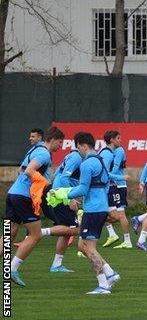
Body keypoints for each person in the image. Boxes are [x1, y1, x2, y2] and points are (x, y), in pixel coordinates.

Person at [51, 132, 121, 294]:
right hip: (99, 207)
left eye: (78, 148)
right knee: (82, 246)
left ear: (83, 145)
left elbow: (83, 188)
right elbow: (101, 185)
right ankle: (110, 273)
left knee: (89, 248)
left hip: (93, 210)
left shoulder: (86, 164)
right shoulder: (101, 161)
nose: (78, 151)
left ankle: (103, 285)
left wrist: (62, 194)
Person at [5, 126, 65, 287]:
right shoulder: (44, 153)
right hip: (23, 198)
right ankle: (12, 269)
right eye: (60, 142)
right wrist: (42, 183)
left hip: (13, 194)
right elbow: (29, 171)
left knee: (8, 236)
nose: (61, 146)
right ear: (52, 140)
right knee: (36, 235)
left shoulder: (34, 150)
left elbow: (21, 170)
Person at [43, 146, 83, 273]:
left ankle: (56, 265)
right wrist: (70, 197)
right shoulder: (76, 157)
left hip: (60, 194)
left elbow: (57, 174)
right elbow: (65, 177)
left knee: (67, 231)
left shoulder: (71, 156)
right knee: (75, 230)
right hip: (63, 196)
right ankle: (39, 232)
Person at [99, 130, 132, 249]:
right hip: (114, 184)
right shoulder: (109, 153)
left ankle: (126, 240)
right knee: (104, 211)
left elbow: (110, 171)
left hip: (117, 185)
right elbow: (109, 171)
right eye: (118, 138)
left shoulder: (116, 151)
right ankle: (113, 234)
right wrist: (118, 177)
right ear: (112, 139)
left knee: (118, 214)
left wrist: (118, 178)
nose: (121, 140)